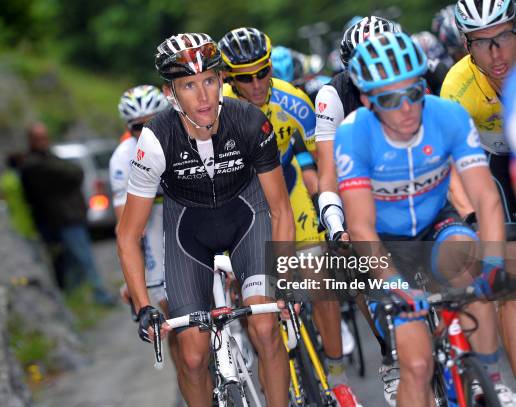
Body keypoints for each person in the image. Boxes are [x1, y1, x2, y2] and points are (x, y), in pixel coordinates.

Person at [116, 32, 295, 407]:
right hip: (188, 235)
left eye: (209, 81)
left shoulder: (249, 121)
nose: (203, 96)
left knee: (265, 328)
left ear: (222, 81)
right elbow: (128, 233)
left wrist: (285, 275)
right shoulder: (155, 139)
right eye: (189, 85)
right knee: (194, 355)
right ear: (172, 92)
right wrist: (144, 303)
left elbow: (279, 209)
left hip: (247, 219)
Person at [337, 31, 511, 406]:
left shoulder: (448, 116)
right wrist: (396, 285)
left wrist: (495, 262)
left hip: (437, 223)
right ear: (367, 100)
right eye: (389, 99)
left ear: (423, 87)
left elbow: (485, 196)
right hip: (386, 243)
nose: (406, 109)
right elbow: (362, 228)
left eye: (413, 93)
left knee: (471, 262)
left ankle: (487, 378)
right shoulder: (353, 134)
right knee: (417, 367)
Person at [218, 27, 360, 406]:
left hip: (290, 192)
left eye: (262, 72)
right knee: (259, 319)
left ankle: (337, 377)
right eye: (244, 77)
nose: (256, 83)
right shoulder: (214, 112)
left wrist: (338, 208)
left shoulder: (293, 100)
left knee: (320, 280)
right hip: (242, 206)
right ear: (229, 78)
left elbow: (325, 159)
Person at [314, 15, 403, 406]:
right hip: (359, 184)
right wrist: (336, 227)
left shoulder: (419, 81)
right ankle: (390, 353)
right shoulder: (332, 97)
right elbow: (328, 173)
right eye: (364, 67)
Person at [441, 0, 516, 380]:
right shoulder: (457, 86)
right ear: (466, 46)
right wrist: (470, 216)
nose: (496, 53)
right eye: (482, 42)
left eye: (504, 36)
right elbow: (451, 167)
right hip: (493, 164)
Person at [109, 84, 179, 366]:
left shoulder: (188, 135)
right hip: (151, 223)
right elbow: (125, 228)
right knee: (173, 315)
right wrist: (132, 279)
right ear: (129, 129)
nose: (147, 131)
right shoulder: (122, 159)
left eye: (153, 121)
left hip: (189, 213)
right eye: (138, 127)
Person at [20, 122, 115, 306]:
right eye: (39, 138)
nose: (43, 141)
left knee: (75, 262)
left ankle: (75, 300)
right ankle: (99, 296)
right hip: (61, 220)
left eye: (44, 137)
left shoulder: (48, 159)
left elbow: (74, 173)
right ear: (31, 140)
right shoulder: (34, 165)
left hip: (71, 217)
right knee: (83, 259)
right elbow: (73, 172)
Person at [0, 152, 38, 240]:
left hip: (20, 220)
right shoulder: (24, 176)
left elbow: (3, 198)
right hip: (33, 218)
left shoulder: (5, 179)